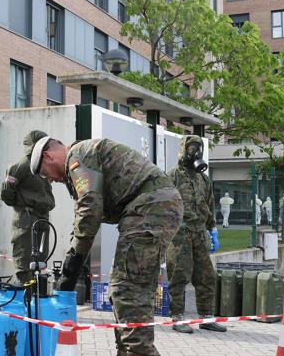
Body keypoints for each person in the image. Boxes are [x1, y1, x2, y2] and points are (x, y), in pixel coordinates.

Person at [30, 137, 182, 356]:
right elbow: (83, 216)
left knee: (127, 290)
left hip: (150, 207)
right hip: (152, 207)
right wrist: (74, 254)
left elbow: (90, 210)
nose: (51, 180)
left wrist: (74, 259)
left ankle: (138, 352)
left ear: (48, 156)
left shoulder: (77, 157)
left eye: (45, 173)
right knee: (128, 290)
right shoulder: (82, 160)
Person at [166, 135, 226, 334]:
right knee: (179, 276)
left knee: (207, 276)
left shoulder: (204, 179)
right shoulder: (173, 175)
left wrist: (213, 230)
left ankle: (206, 317)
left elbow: (209, 205)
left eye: (198, 148)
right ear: (184, 150)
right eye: (192, 148)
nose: (196, 152)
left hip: (200, 233)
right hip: (180, 234)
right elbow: (164, 203)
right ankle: (177, 317)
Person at [0, 130, 56, 284]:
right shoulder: (22, 165)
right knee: (25, 259)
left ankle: (38, 293)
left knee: (40, 259)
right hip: (26, 217)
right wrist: (21, 202)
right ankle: (28, 295)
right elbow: (6, 192)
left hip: (42, 216)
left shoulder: (42, 164)